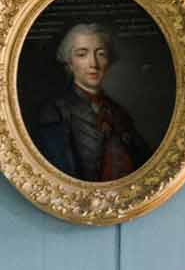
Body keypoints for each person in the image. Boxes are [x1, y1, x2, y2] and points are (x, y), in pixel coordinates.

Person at [30, 23, 150, 181]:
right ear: (69, 63)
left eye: (101, 54)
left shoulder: (118, 113)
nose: (93, 64)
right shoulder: (55, 111)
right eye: (82, 54)